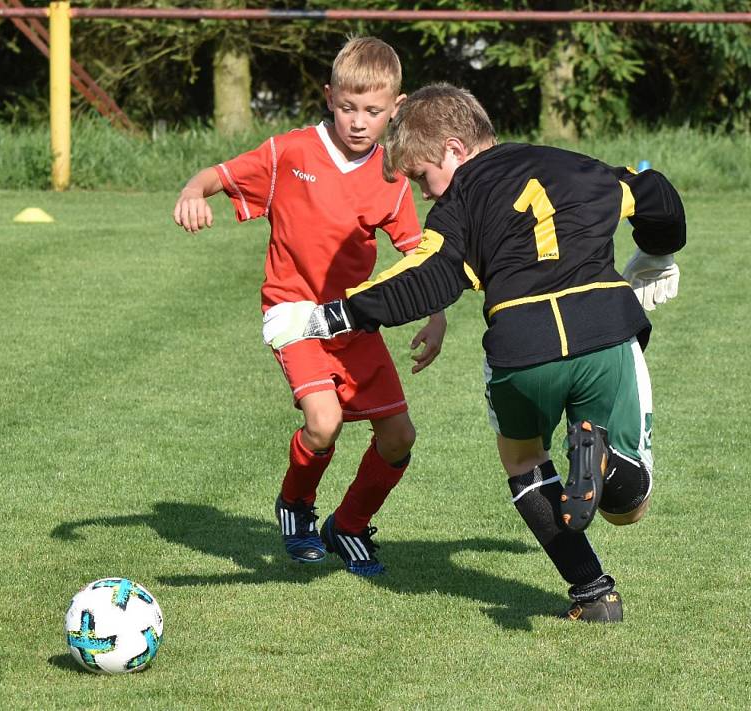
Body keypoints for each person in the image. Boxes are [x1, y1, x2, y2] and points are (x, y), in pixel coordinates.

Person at [264, 83, 686, 620]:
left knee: (524, 461)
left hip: (519, 347)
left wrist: (325, 316)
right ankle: (603, 465)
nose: (426, 193)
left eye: (421, 176)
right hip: (603, 326)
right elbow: (657, 193)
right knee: (630, 506)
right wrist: (657, 251)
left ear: (453, 150)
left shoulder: (460, 200)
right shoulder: (577, 164)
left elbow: (425, 278)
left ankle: (593, 594)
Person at [173, 39, 446, 576]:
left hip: (352, 323)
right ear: (329, 98)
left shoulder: (392, 175)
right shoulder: (290, 153)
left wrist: (437, 316)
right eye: (348, 108)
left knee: (399, 438)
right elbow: (219, 176)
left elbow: (421, 254)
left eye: (373, 111)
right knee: (324, 422)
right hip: (292, 314)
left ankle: (347, 525)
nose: (360, 122)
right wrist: (192, 191)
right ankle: (295, 505)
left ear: (396, 107)